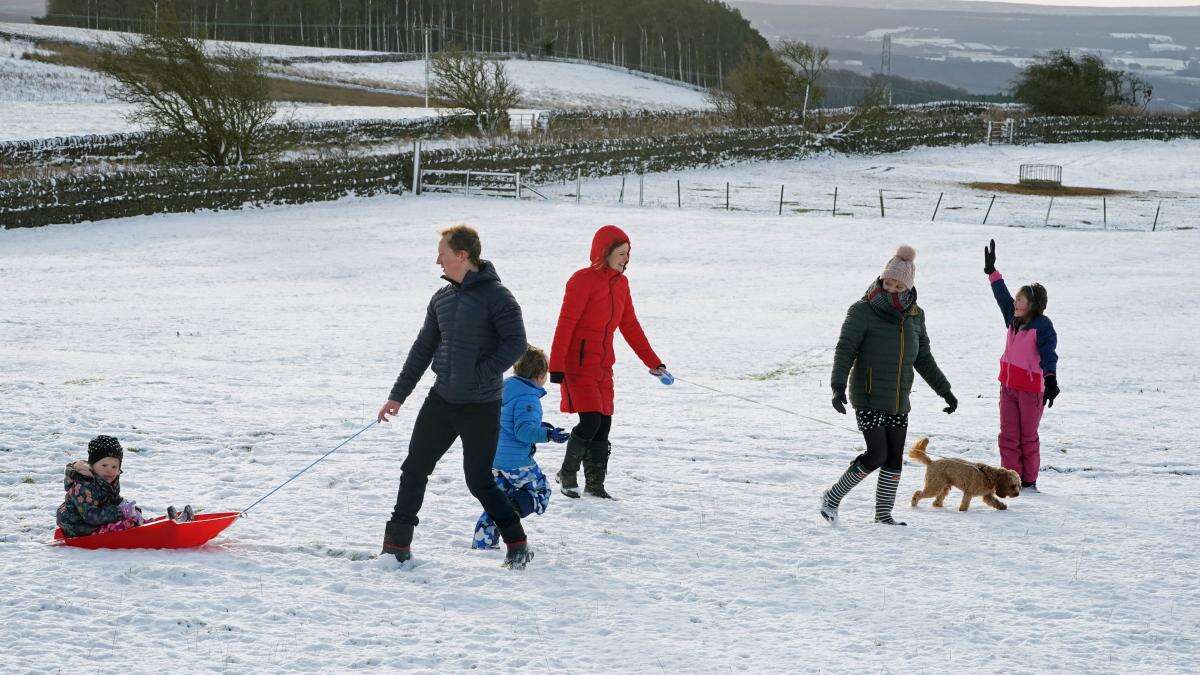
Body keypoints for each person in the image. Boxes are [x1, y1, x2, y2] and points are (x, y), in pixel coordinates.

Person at [378, 225, 534, 569]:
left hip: (481, 405)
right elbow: (422, 349)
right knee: (415, 468)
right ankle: (396, 546)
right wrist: (397, 396)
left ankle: (517, 541)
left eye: (443, 254)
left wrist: (481, 374)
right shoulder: (442, 298)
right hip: (442, 400)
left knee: (478, 480)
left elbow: (516, 344)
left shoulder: (499, 297)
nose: (438, 261)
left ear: (462, 256)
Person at [822, 245, 957, 526]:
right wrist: (837, 386)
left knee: (894, 458)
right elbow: (845, 349)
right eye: (888, 283)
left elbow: (923, 357)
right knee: (877, 454)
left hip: (898, 398)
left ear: (908, 286)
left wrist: (945, 390)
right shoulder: (862, 310)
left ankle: (883, 515)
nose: (891, 289)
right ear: (881, 279)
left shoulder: (915, 315)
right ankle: (832, 498)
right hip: (868, 394)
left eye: (898, 285)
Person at [549, 225, 667, 499]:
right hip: (577, 364)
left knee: (604, 424)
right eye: (621, 253)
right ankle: (567, 473)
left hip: (603, 365)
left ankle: (595, 484)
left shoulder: (621, 284)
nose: (625, 259)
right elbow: (565, 324)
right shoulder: (582, 280)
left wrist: (653, 362)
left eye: (628, 254)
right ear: (605, 252)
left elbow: (630, 326)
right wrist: (556, 365)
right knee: (589, 421)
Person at [471, 346, 568, 550]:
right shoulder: (528, 398)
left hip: (494, 457)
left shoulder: (503, 388)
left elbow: (508, 423)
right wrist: (549, 435)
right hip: (515, 461)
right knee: (541, 491)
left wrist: (540, 427)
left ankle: (483, 543)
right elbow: (523, 431)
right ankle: (510, 513)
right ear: (539, 376)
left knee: (497, 498)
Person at [984, 239, 1058, 492]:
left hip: (1030, 391)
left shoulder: (1042, 326)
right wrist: (992, 272)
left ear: (1033, 305)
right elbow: (1001, 297)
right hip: (1007, 386)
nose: (1015, 303)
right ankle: (1010, 480)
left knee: (1027, 438)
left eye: (1021, 300)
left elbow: (1049, 354)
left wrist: (1050, 379)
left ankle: (1029, 482)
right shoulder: (1012, 319)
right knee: (1008, 436)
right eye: (1016, 299)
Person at [57, 436, 195, 538]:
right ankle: (159, 531)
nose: (109, 470)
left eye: (114, 467)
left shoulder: (109, 481)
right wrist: (120, 512)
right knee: (129, 523)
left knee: (133, 519)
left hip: (96, 523)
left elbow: (113, 499)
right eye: (104, 465)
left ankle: (167, 524)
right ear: (92, 466)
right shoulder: (83, 485)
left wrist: (129, 508)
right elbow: (90, 516)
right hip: (79, 528)